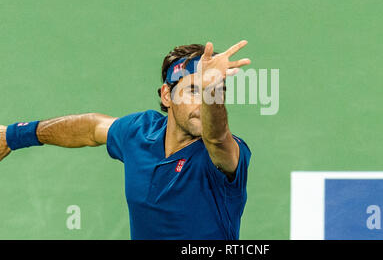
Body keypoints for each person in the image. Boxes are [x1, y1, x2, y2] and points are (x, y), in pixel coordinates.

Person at [0, 40, 252, 240]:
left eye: (215, 92)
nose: (203, 102)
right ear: (167, 95)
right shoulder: (139, 133)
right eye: (193, 90)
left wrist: (210, 88)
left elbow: (217, 137)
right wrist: (13, 135)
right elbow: (91, 127)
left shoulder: (226, 153)